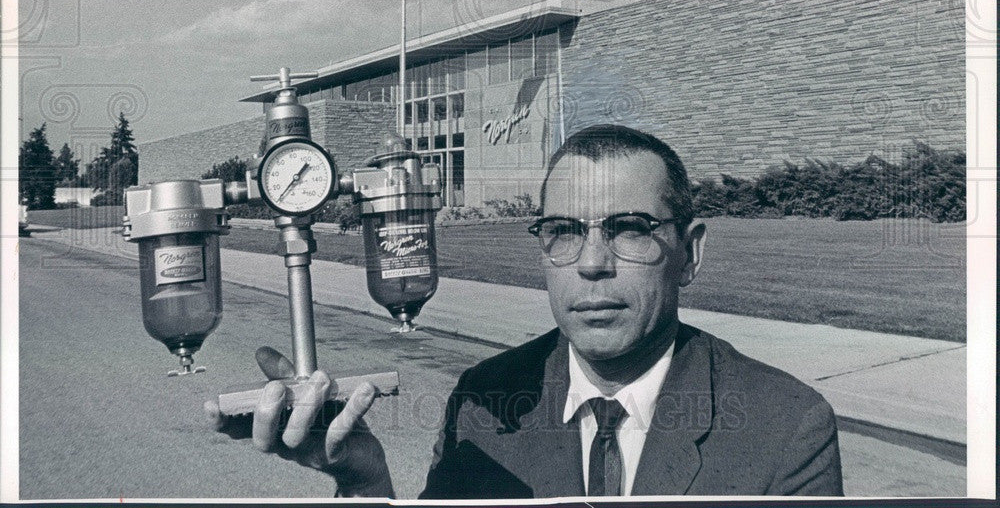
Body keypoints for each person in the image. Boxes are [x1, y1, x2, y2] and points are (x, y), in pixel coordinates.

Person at [206, 124, 843, 497]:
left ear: (689, 253)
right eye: (564, 231)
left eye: (629, 229)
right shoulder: (486, 403)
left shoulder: (784, 430)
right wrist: (366, 482)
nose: (593, 263)